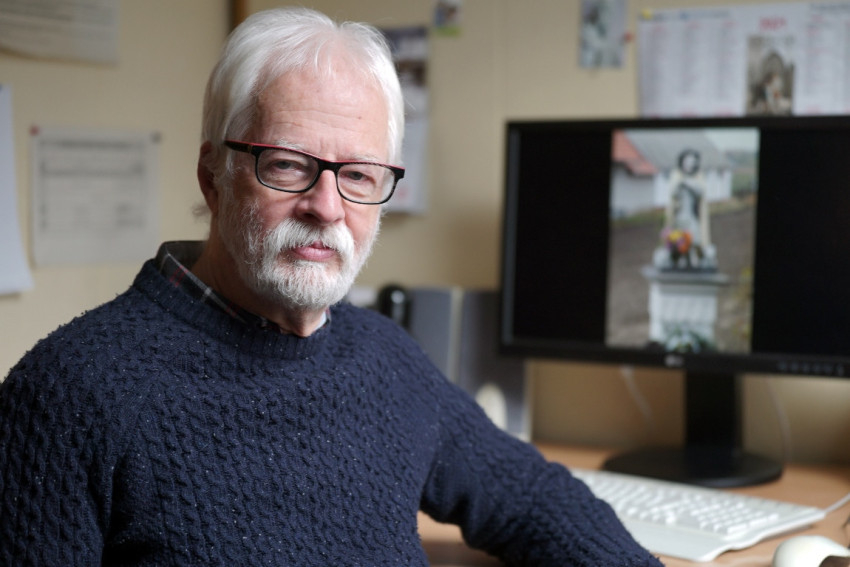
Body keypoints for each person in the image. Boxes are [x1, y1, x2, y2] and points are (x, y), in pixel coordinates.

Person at [0, 7, 662, 566]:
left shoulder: (383, 356)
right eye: (289, 165)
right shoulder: (68, 393)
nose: (326, 206)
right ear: (213, 176)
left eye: (359, 175)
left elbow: (530, 496)